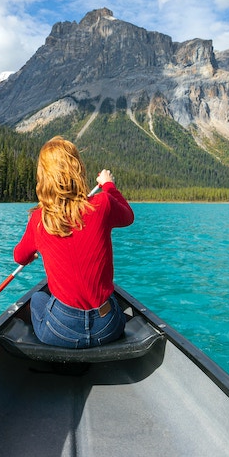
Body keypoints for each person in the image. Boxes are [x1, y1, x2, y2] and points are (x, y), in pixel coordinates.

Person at [13, 136, 134, 348]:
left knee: (38, 300)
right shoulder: (102, 204)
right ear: (77, 170)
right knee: (112, 301)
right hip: (108, 327)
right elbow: (128, 216)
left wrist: (31, 254)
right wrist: (109, 186)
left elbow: (19, 256)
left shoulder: (39, 219)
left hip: (61, 330)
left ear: (44, 176)